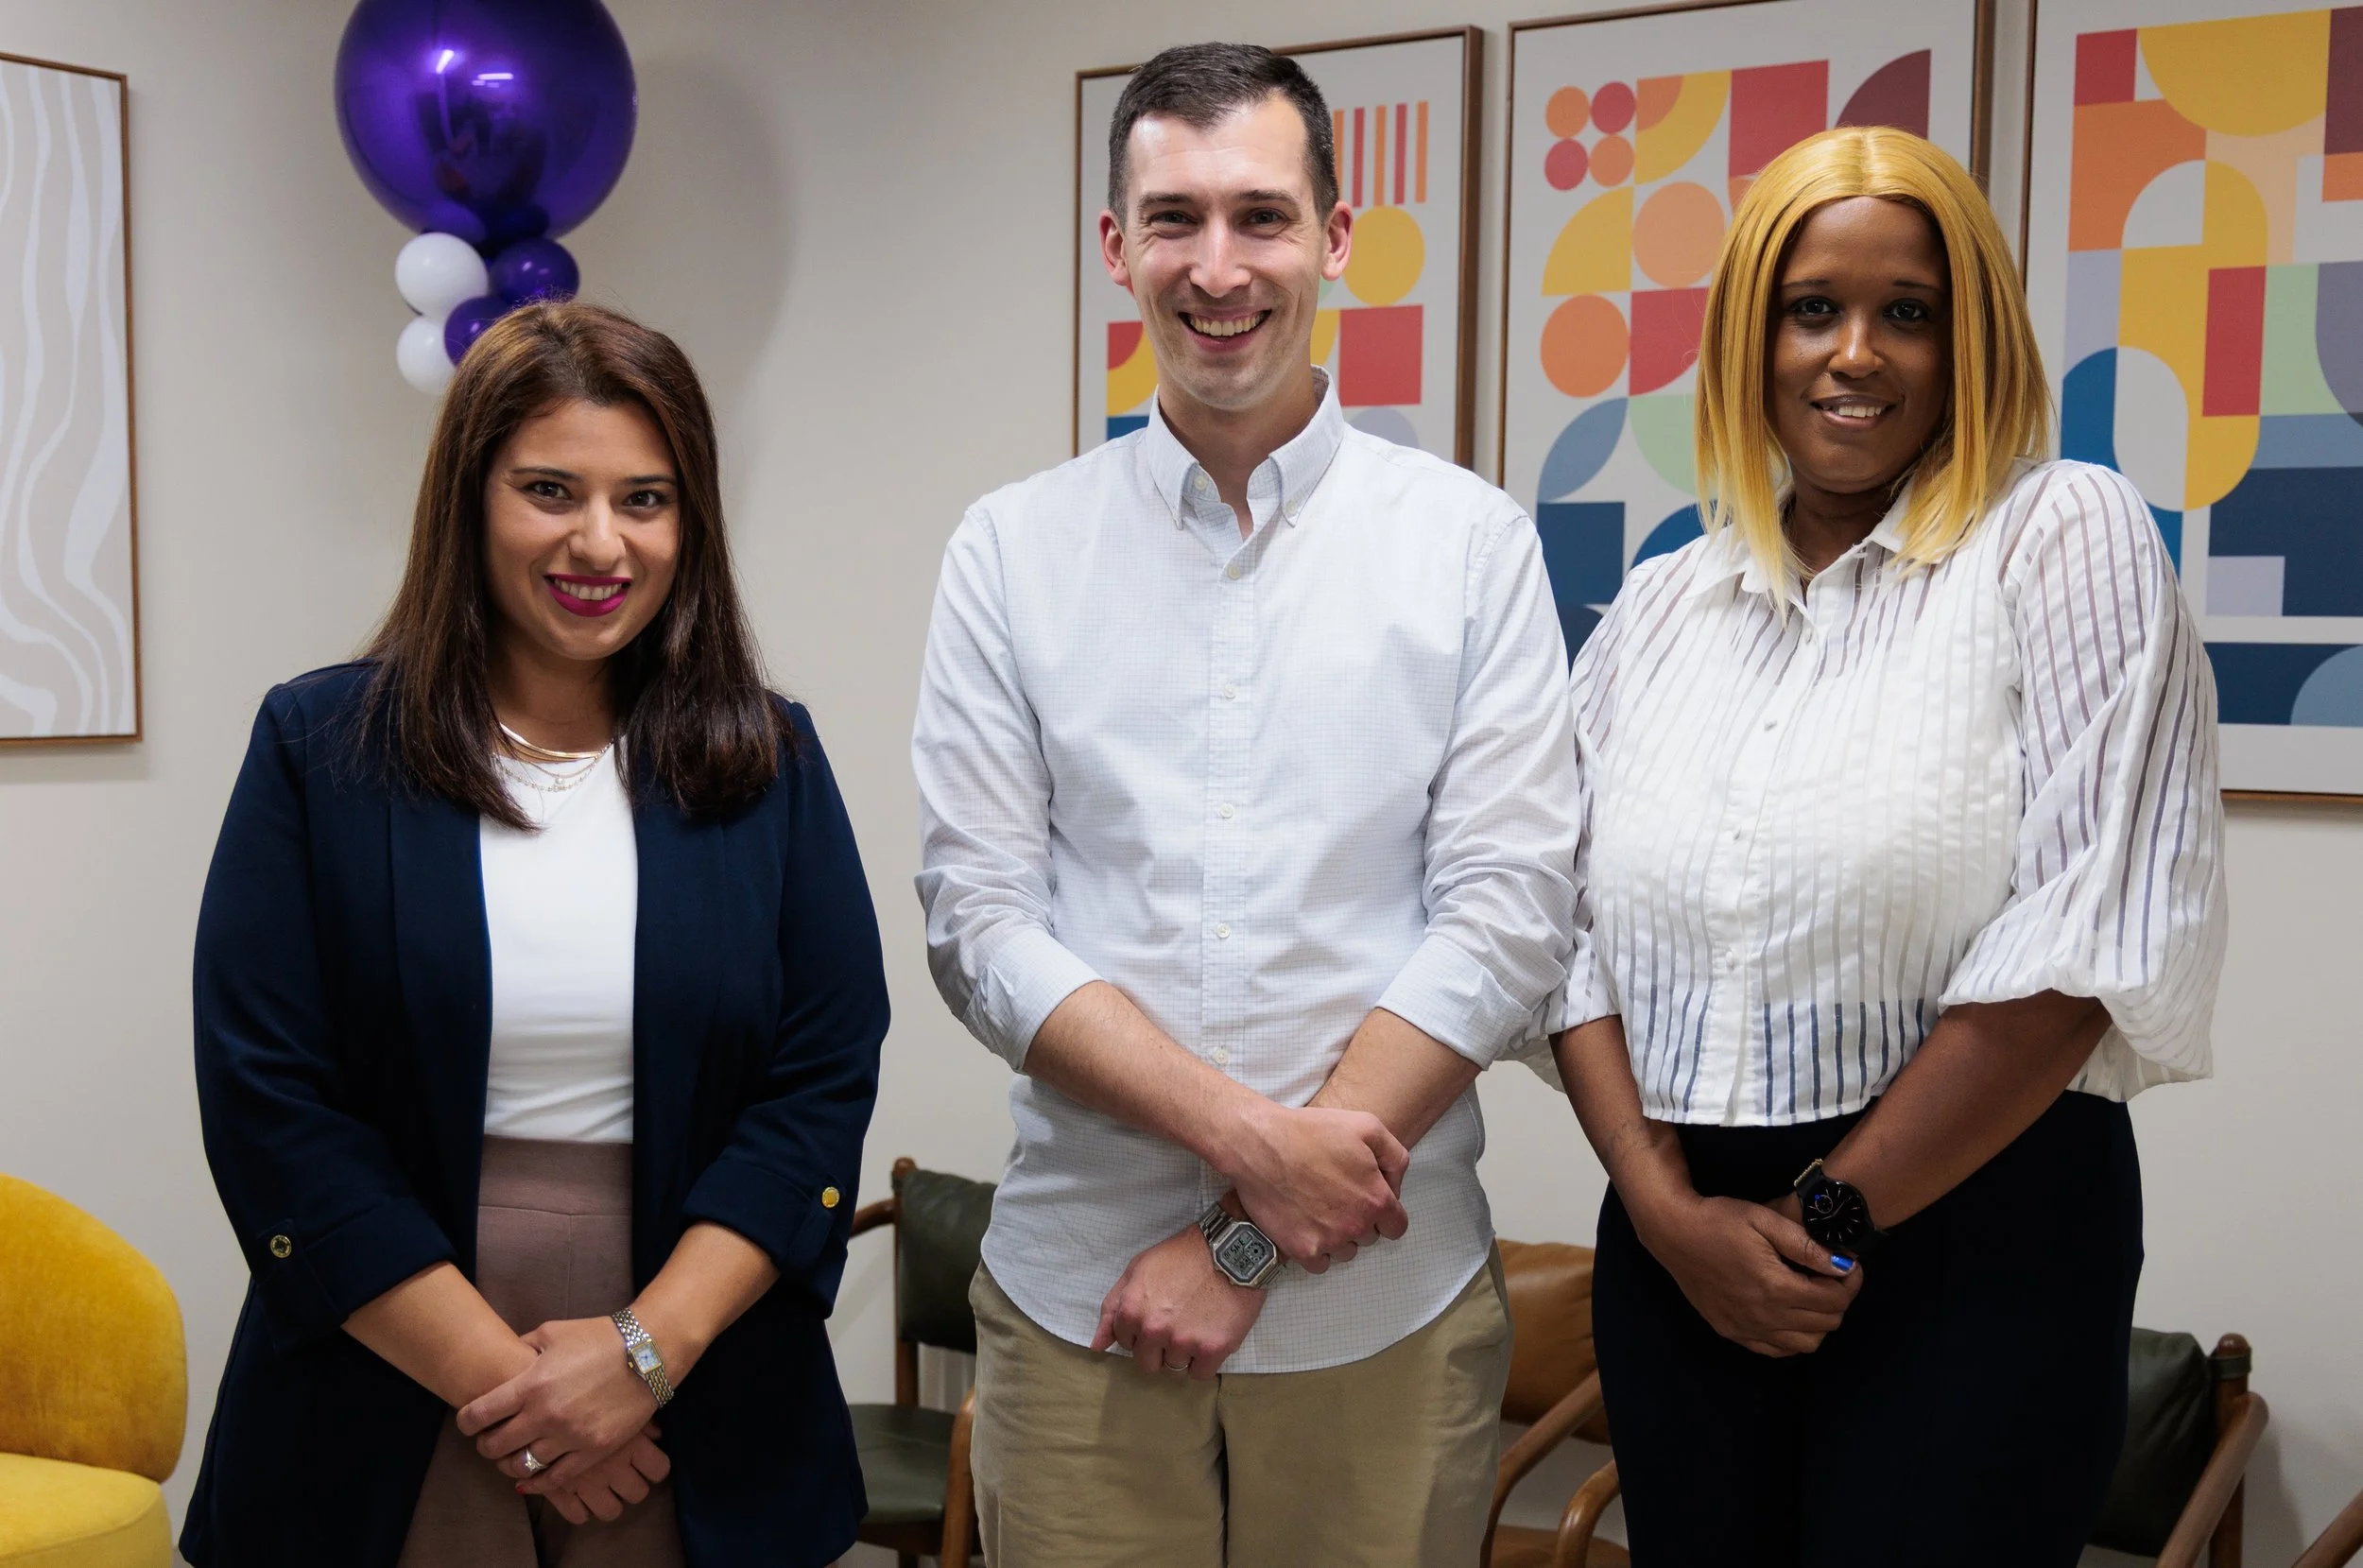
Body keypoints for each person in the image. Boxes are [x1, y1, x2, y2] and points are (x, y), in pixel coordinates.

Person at [912, 42, 1583, 1567]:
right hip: (1079, 1305)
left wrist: (1240, 1232)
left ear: (1337, 238)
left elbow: (1508, 915)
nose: (1220, 267)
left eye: (1263, 216)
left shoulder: (1469, 549)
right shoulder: (1011, 552)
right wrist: (1252, 1145)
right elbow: (979, 922)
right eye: (1176, 218)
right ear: (1116, 247)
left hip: (1382, 1327)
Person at [1547, 126, 2227, 1565]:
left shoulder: (2063, 535)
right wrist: (1669, 1213)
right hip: (1679, 1250)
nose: (1856, 353)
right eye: (1814, 309)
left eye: (1906, 311)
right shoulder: (1668, 602)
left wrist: (1827, 1215)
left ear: (1968, 336)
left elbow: (2084, 926)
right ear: (1752, 337)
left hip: (1971, 1241)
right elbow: (1555, 926)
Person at [181, 302, 888, 1568]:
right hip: (391, 1338)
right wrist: (517, 1391)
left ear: (693, 520)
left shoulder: (769, 759)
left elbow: (819, 1084)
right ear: (470, 498)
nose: (600, 542)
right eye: (549, 489)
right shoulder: (319, 748)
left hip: (697, 1347)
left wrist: (641, 1353)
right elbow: (271, 1101)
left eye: (647, 498)